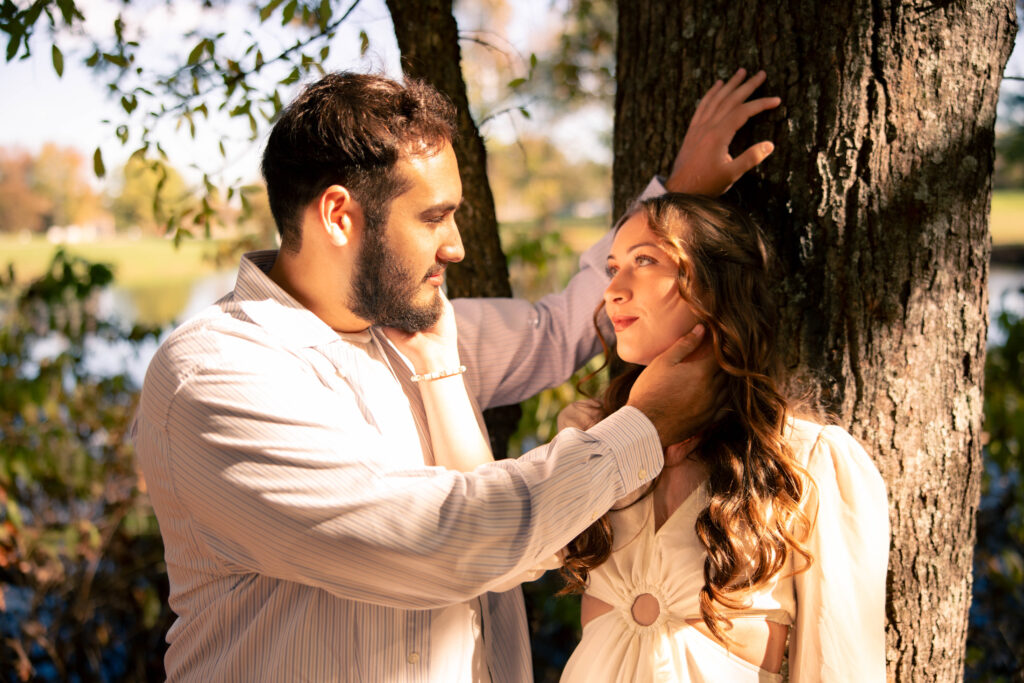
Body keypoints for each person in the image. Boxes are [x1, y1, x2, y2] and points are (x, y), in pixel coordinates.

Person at [132, 68, 779, 681]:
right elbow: (437, 543)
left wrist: (676, 210)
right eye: (433, 216)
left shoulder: (416, 329)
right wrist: (646, 428)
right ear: (338, 214)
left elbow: (561, 328)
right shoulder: (217, 376)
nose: (456, 246)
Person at [554, 193, 890, 682]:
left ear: (717, 286)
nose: (614, 290)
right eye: (612, 268)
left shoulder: (807, 459)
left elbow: (840, 665)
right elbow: (492, 544)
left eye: (644, 260)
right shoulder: (589, 432)